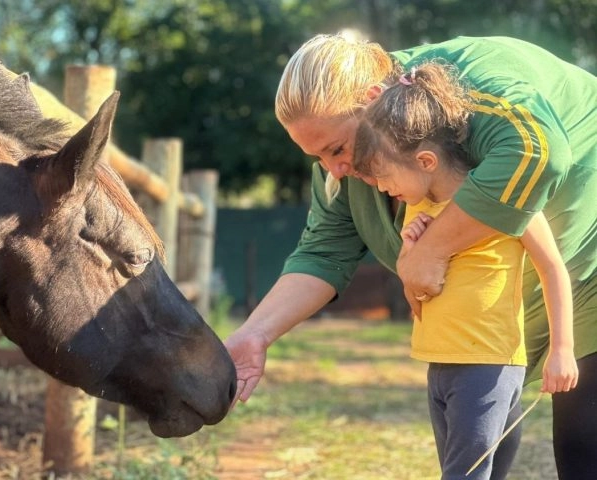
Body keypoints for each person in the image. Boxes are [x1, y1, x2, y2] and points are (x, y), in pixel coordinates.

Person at [223, 33, 597, 480]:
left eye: (337, 149)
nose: (334, 169)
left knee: (582, 443)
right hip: (488, 319)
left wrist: (428, 252)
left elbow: (539, 153)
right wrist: (256, 334)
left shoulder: (464, 90)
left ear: (372, 100)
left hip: (586, 243)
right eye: (317, 156)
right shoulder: (348, 169)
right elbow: (323, 253)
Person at [351, 60, 578, 478]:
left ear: (425, 160)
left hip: (488, 366)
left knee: (464, 473)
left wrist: (562, 349)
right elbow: (417, 292)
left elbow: (552, 268)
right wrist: (409, 251)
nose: (382, 189)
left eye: (383, 177)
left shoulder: (506, 198)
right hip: (440, 365)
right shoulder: (417, 208)